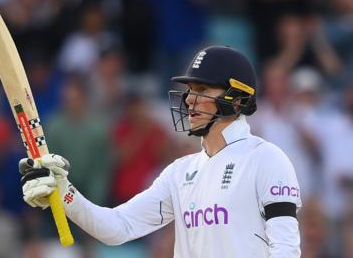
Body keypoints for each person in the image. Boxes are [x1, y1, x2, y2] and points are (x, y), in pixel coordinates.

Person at [19, 46, 302, 257]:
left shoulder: (266, 158)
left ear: (237, 99)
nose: (190, 99)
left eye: (202, 89)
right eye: (190, 90)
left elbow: (286, 249)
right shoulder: (181, 172)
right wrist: (63, 189)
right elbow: (118, 227)